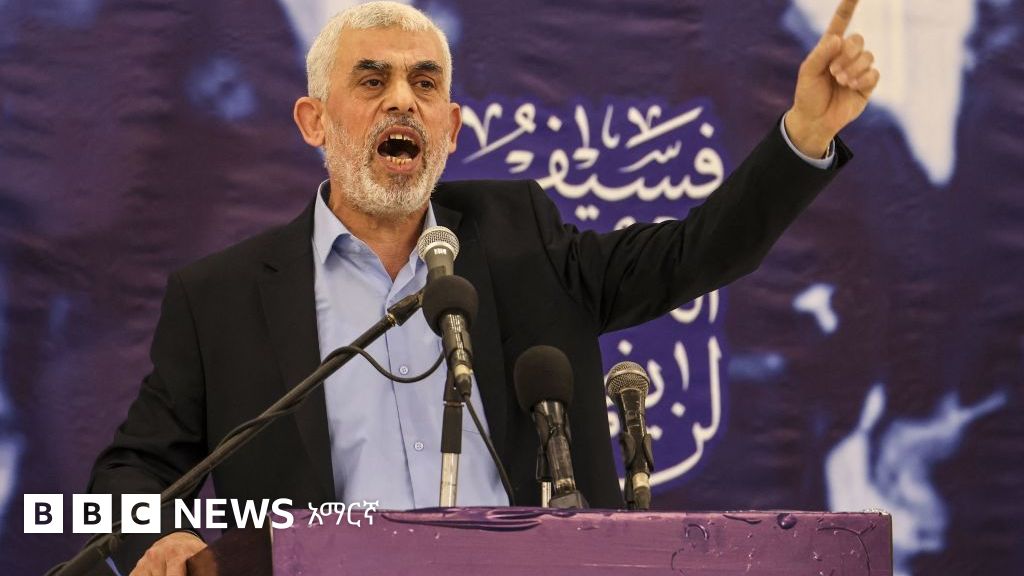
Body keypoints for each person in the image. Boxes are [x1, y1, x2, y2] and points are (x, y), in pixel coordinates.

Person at [87, 1, 878, 574]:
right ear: (313, 121)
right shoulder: (222, 298)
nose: (403, 98)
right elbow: (126, 478)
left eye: (425, 83)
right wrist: (159, 539)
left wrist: (805, 135)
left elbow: (694, 254)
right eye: (372, 80)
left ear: (451, 127)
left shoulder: (521, 237)